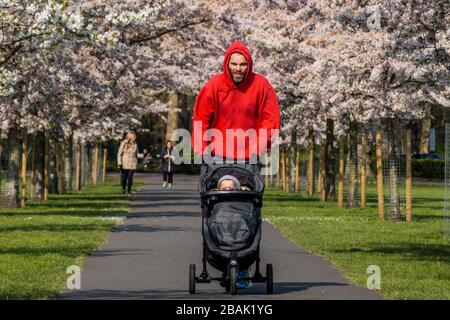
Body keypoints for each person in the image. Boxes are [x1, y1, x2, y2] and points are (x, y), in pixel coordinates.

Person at [192, 41, 281, 289]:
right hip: (217, 155)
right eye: (234, 64)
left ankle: (244, 260)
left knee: (247, 201)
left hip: (248, 156)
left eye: (243, 64)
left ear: (249, 65)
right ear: (227, 63)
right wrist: (202, 149)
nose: (238, 69)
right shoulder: (214, 86)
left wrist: (258, 145)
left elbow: (270, 118)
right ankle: (219, 253)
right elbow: (201, 117)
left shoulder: (261, 85)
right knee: (216, 201)